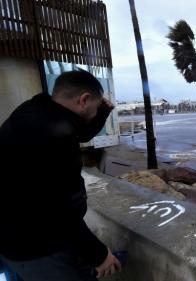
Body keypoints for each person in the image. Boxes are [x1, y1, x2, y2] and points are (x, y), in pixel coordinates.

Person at [0, 70, 121, 281]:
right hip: (37, 247)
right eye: (94, 107)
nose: (95, 112)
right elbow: (59, 212)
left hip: (10, 235)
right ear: (83, 99)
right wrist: (100, 255)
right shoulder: (54, 138)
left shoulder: (35, 111)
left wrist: (101, 112)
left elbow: (80, 131)